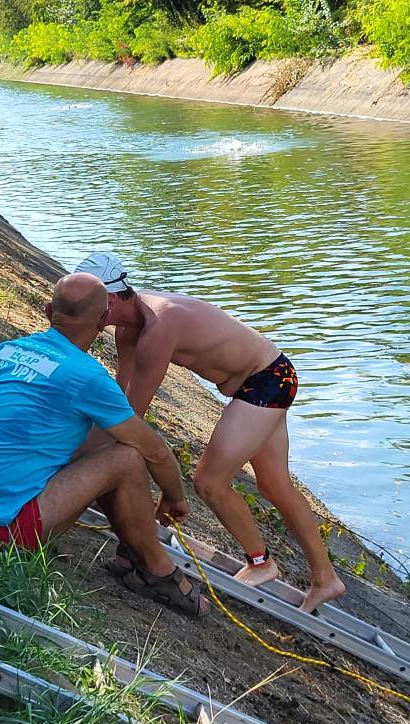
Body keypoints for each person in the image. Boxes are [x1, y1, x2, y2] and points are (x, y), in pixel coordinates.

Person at [74, 253, 346, 613]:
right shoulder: (127, 328)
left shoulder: (160, 328)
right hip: (262, 379)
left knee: (209, 481)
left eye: (88, 308)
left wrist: (81, 466)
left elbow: (132, 416)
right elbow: (122, 396)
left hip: (267, 380)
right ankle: (326, 579)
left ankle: (261, 563)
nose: (86, 318)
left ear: (110, 301)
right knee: (274, 485)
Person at [0, 273, 210, 619]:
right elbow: (155, 451)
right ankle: (158, 571)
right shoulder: (88, 375)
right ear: (102, 323)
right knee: (126, 454)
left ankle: (132, 546)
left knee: (102, 437)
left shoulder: (3, 351)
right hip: (2, 529)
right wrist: (174, 498)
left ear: (49, 310)